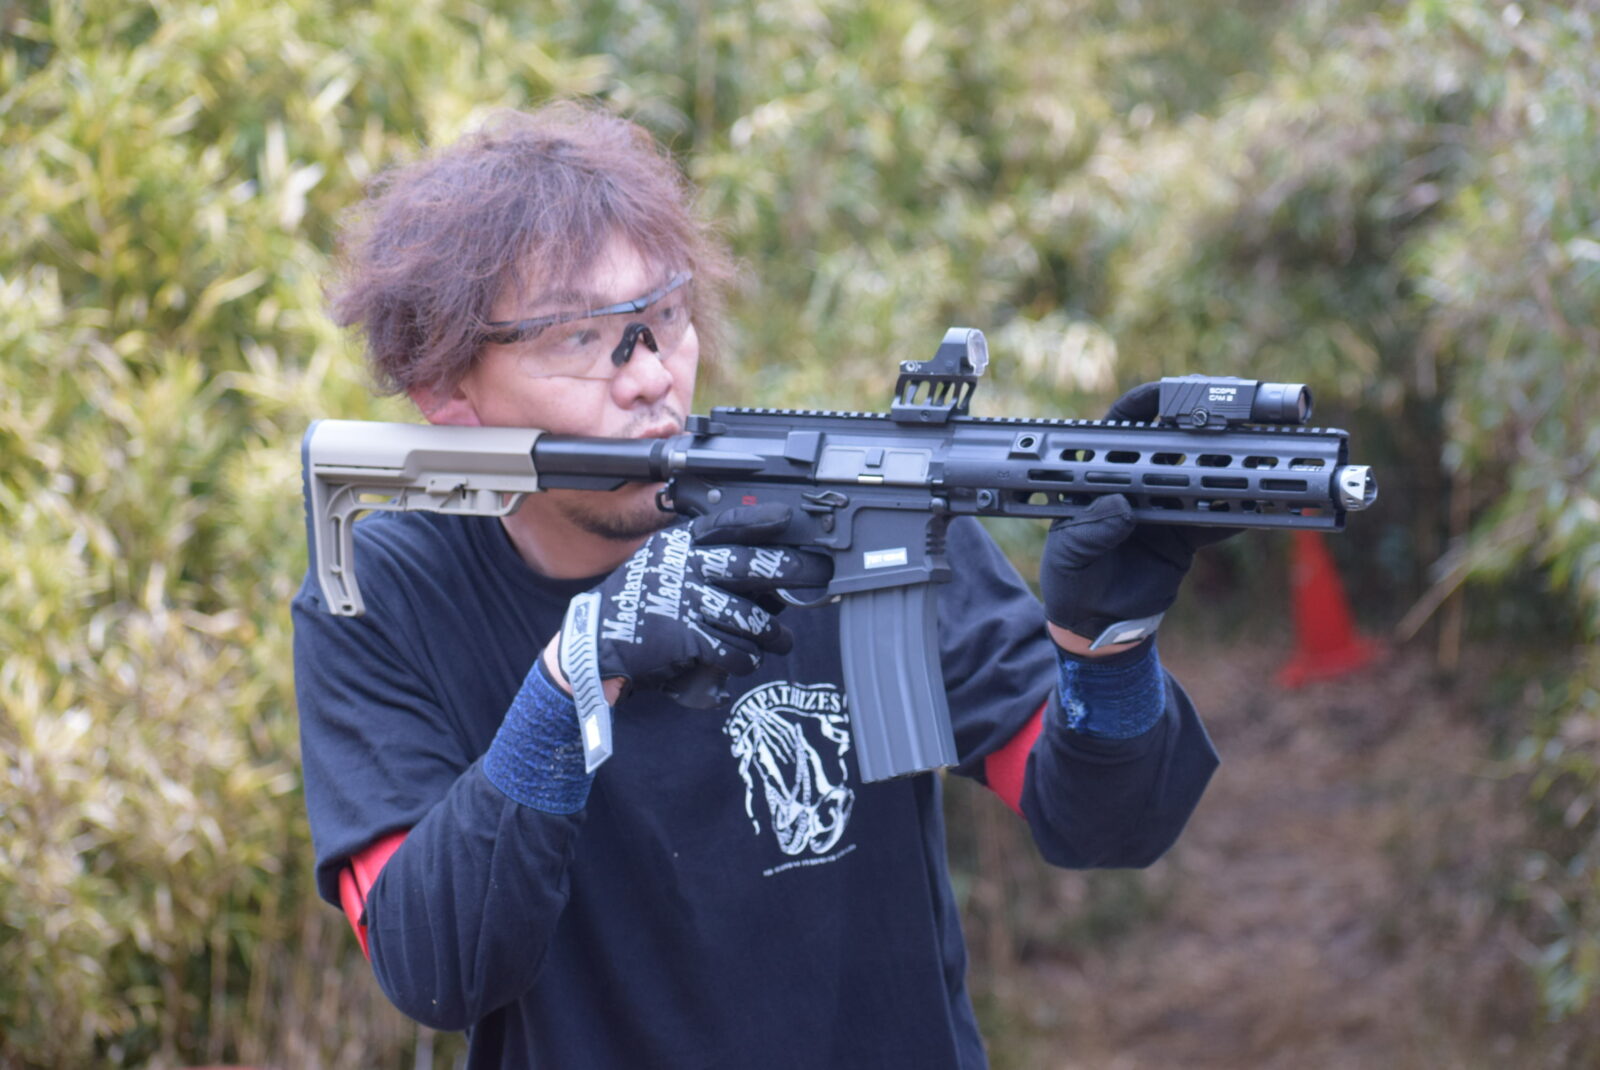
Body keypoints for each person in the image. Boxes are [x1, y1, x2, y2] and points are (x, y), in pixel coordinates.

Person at [294, 102, 1222, 1070]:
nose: (650, 375)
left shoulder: (854, 514)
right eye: (579, 338)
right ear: (447, 393)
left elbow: (1109, 822)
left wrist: (1106, 644)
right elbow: (435, 966)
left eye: (663, 316)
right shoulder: (385, 593)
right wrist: (573, 676)